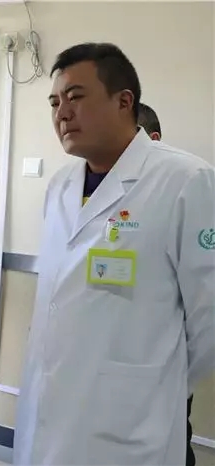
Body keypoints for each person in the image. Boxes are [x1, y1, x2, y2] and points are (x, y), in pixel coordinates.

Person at [14, 42, 215, 465]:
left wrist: (154, 383)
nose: (62, 113)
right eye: (54, 102)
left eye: (75, 97)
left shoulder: (185, 179)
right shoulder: (60, 187)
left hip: (131, 422)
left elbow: (209, 319)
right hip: (51, 405)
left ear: (124, 101)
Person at [138, 101, 197, 466]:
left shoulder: (188, 187)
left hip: (168, 359)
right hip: (119, 362)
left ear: (153, 138)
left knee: (172, 439)